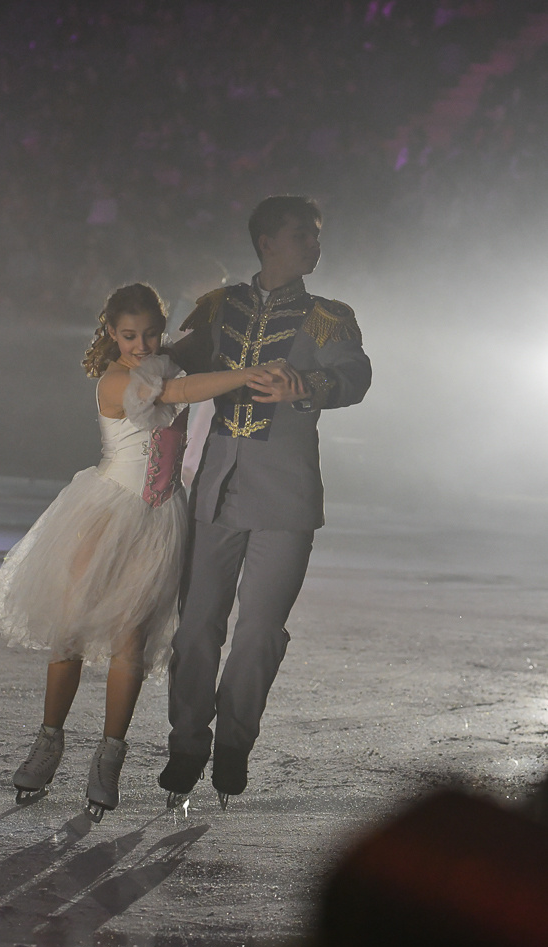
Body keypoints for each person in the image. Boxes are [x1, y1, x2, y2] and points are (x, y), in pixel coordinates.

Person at [0, 282, 282, 821]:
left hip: (159, 518)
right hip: (104, 515)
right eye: (127, 335)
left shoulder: (159, 362)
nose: (139, 345)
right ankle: (48, 744)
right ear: (110, 333)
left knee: (131, 641)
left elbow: (181, 357)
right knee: (69, 632)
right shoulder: (117, 379)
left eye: (149, 335)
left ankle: (108, 758)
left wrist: (219, 314)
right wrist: (246, 375)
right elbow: (178, 394)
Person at [159, 196, 373, 809]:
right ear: (267, 242)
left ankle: (232, 745)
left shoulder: (331, 316)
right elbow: (177, 360)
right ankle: (186, 744)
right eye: (303, 234)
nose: (315, 245)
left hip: (287, 495)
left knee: (258, 631)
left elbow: (354, 376)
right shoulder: (219, 306)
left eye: (315, 235)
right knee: (196, 627)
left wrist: (310, 385)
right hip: (217, 488)